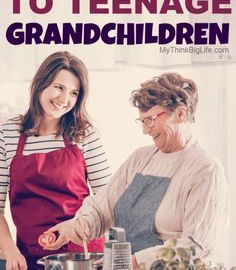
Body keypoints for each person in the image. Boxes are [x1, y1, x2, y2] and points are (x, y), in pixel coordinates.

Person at [44, 72, 229, 269]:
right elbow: (102, 206)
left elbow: (196, 245)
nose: (145, 130)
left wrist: (136, 261)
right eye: (142, 121)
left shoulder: (205, 169)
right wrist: (78, 227)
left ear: (181, 114)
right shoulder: (141, 158)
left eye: (150, 120)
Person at [0, 51, 111, 270]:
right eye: (59, 87)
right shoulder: (7, 133)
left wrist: (74, 227)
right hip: (29, 258)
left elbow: (107, 201)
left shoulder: (84, 135)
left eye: (74, 93)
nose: (64, 99)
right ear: (41, 83)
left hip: (84, 258)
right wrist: (11, 252)